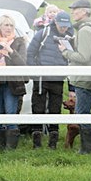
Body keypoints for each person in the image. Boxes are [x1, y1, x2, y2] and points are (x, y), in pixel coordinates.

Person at [59, 0, 91, 154]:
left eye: (75, 9)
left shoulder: (85, 31)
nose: (72, 12)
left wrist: (66, 52)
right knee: (84, 112)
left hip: (84, 79)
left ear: (84, 11)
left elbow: (84, 57)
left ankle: (88, 149)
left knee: (82, 113)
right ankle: (89, 147)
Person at [26, 11, 74, 149]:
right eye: (61, 25)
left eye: (66, 25)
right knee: (38, 108)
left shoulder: (70, 37)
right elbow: (31, 52)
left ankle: (53, 143)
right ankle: (37, 143)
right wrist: (35, 72)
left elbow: (71, 60)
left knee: (55, 109)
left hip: (58, 79)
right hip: (41, 79)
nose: (63, 28)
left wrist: (71, 87)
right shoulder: (44, 33)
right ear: (56, 22)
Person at [0, 15, 28, 150]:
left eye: (11, 25)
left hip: (12, 84)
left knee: (10, 113)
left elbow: (22, 63)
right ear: (0, 27)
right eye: (6, 25)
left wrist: (10, 51)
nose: (9, 28)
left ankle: (10, 149)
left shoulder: (19, 42)